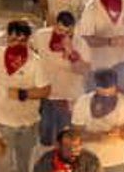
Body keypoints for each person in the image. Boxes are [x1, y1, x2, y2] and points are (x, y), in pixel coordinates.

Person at [0, 19, 51, 172]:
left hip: (27, 122)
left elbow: (45, 90)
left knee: (23, 159)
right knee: (2, 165)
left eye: (22, 41)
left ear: (28, 40)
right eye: (13, 40)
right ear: (6, 38)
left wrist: (23, 94)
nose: (17, 44)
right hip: (0, 121)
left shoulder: (36, 62)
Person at [32, 10, 92, 148]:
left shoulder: (81, 43)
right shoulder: (41, 36)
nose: (63, 35)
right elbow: (32, 54)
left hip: (68, 98)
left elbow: (84, 71)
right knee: (45, 137)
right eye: (60, 30)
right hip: (46, 95)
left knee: (65, 139)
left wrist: (71, 52)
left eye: (68, 32)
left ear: (74, 28)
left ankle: (64, 166)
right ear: (54, 25)